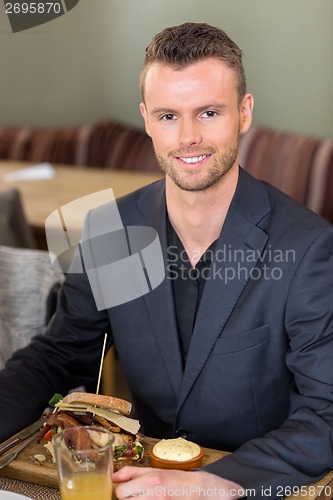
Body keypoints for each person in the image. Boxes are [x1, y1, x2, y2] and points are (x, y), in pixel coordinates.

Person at [1, 22, 333, 499]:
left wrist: (213, 484)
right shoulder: (112, 229)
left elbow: (326, 412)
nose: (189, 137)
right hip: (141, 479)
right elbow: (59, 357)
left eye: (209, 112)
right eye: (168, 116)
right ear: (146, 120)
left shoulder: (309, 246)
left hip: (252, 483)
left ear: (244, 112)